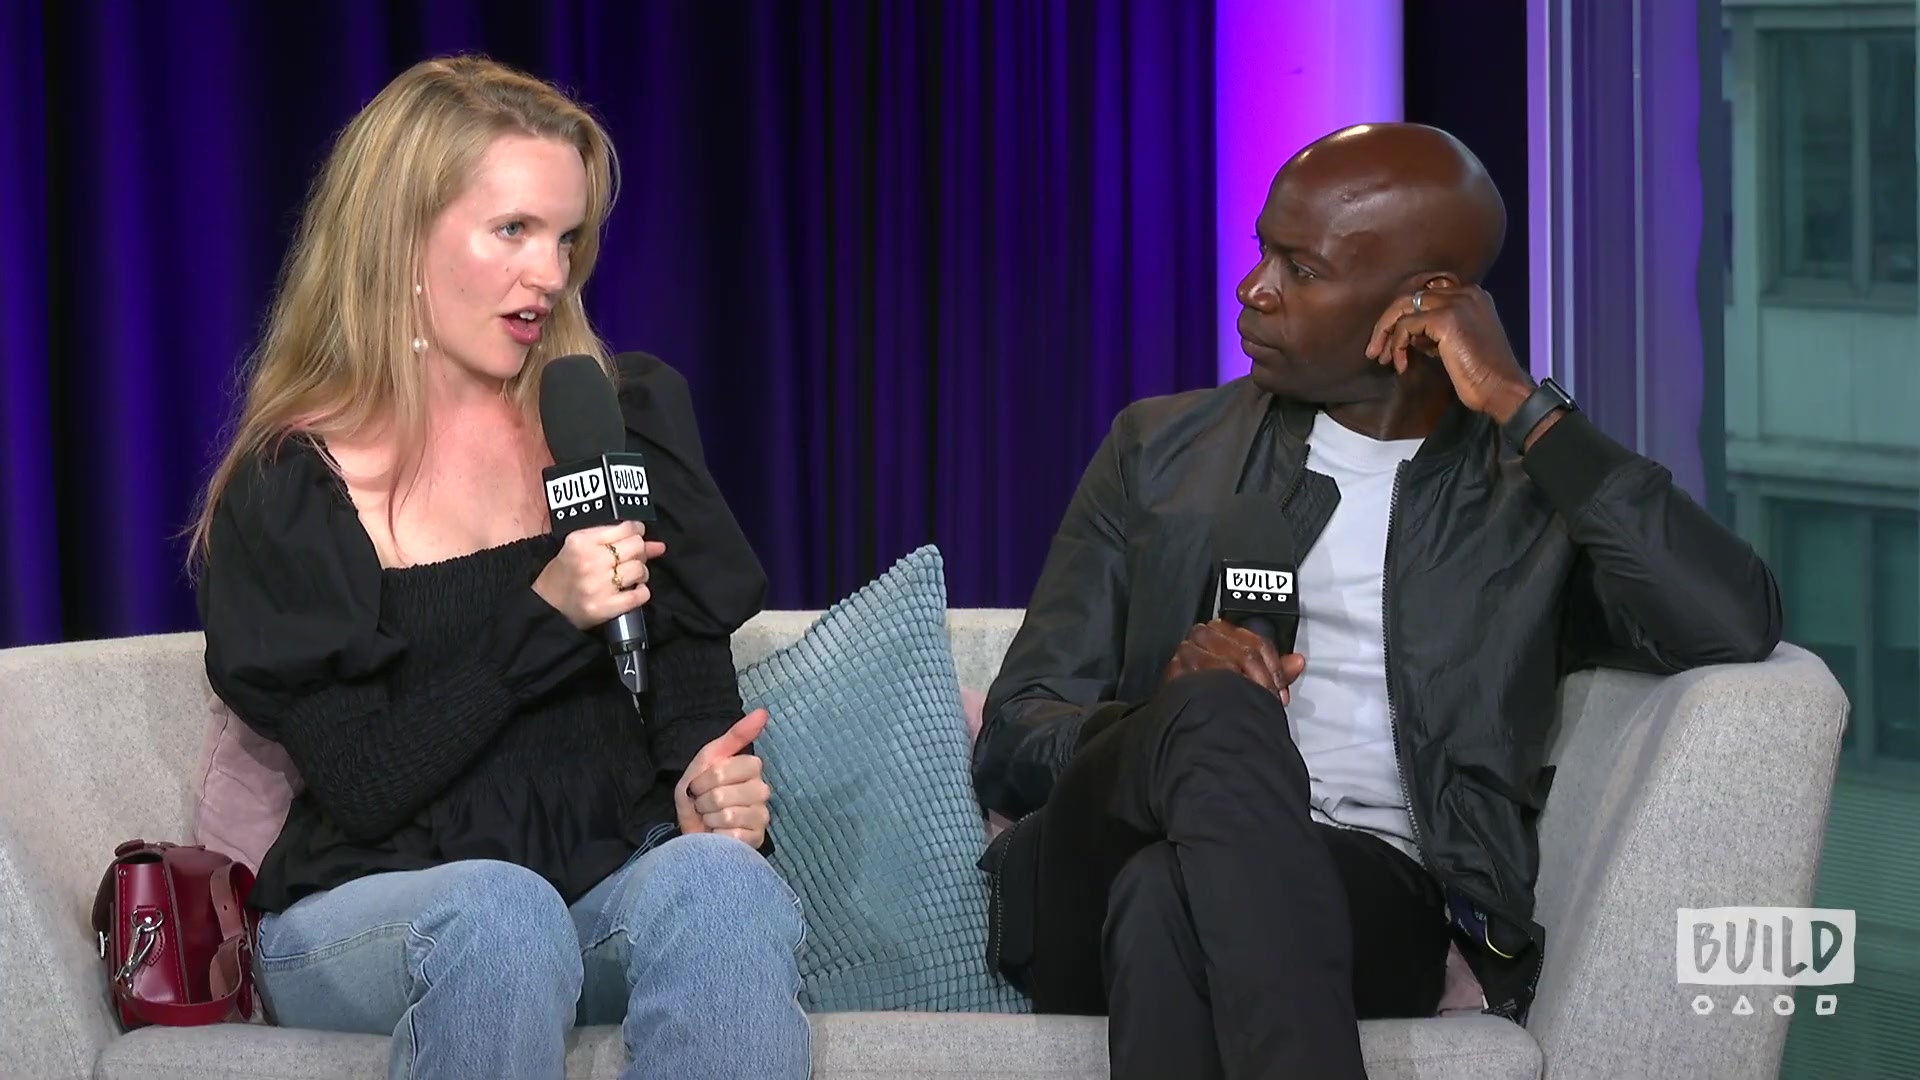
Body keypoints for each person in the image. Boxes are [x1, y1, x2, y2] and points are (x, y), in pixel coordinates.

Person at [972, 122, 1782, 1080]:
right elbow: (1015, 739)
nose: (1254, 288)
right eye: (1263, 251)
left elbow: (1729, 621)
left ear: (1423, 302)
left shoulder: (1528, 510)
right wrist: (1164, 720)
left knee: (1170, 900)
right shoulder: (1159, 452)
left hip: (1371, 892)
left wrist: (1524, 406)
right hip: (1103, 860)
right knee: (1214, 718)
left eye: (1301, 269)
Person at [189, 57, 809, 1080]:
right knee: (499, 910)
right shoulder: (294, 484)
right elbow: (365, 784)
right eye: (513, 230)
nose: (550, 276)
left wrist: (706, 790)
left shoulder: (617, 417)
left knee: (722, 887)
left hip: (596, 889)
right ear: (400, 239)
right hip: (376, 912)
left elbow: (691, 694)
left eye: (565, 238)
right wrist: (545, 615)